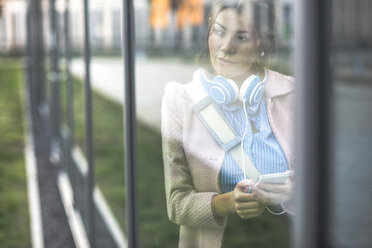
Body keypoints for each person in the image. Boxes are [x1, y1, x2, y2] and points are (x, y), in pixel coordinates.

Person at [161, 0, 295, 247]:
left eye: (242, 38)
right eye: (219, 32)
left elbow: (325, 184)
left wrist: (295, 191)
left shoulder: (294, 95)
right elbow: (176, 204)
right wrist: (227, 203)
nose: (225, 47)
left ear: (262, 45)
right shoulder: (179, 101)